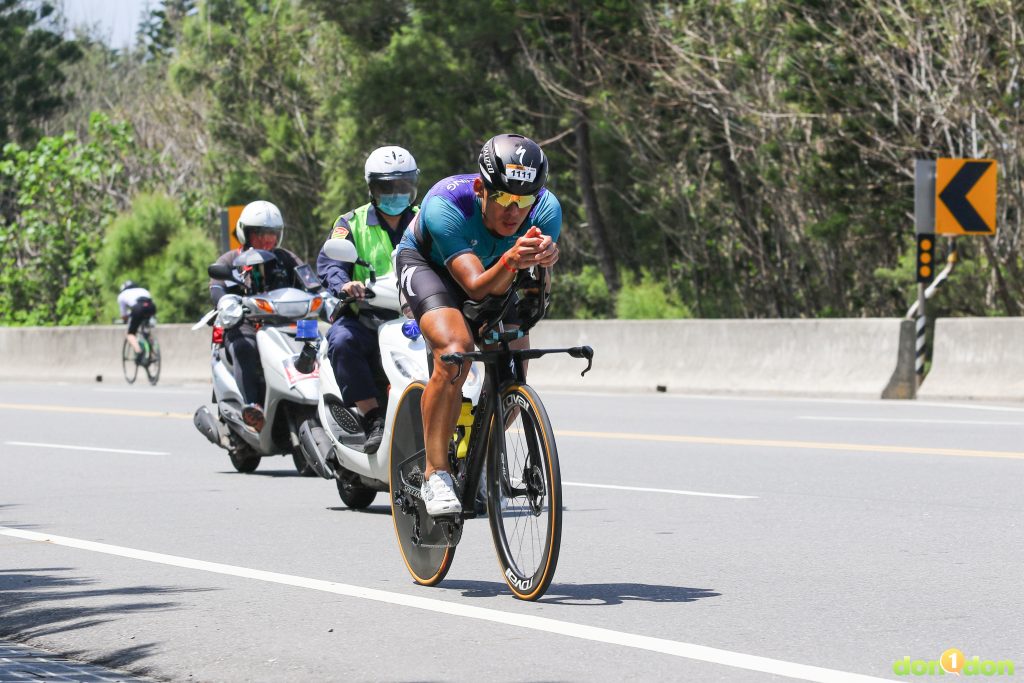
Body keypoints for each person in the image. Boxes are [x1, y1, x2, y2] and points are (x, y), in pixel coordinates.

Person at [394, 133, 561, 516]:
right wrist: (512, 261)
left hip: (501, 270)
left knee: (513, 367)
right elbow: (473, 287)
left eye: (524, 201)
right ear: (480, 188)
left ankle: (482, 452)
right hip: (431, 269)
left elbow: (530, 281)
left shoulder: (547, 208)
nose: (513, 212)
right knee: (455, 354)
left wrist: (547, 254)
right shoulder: (445, 203)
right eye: (503, 198)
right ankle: (435, 474)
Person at [317, 146, 420, 453]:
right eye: (387, 186)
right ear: (372, 188)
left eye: (403, 185)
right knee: (341, 339)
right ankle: (372, 417)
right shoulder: (350, 222)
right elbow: (330, 262)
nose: (396, 193)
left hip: (417, 313)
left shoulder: (426, 220)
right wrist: (344, 283)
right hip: (367, 315)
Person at [209, 200, 309, 433]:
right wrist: (224, 300)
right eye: (260, 233)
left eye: (272, 234)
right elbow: (216, 286)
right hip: (246, 324)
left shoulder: (286, 258)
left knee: (317, 343)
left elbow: (311, 282)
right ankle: (252, 404)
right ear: (246, 233)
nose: (267, 240)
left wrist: (326, 296)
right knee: (244, 347)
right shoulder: (231, 260)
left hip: (287, 323)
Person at [118, 280, 157, 365]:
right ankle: (153, 353)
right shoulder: (143, 290)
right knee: (146, 331)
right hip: (151, 307)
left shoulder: (122, 295)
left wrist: (126, 319)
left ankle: (138, 350)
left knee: (130, 333)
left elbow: (124, 315)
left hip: (138, 309)